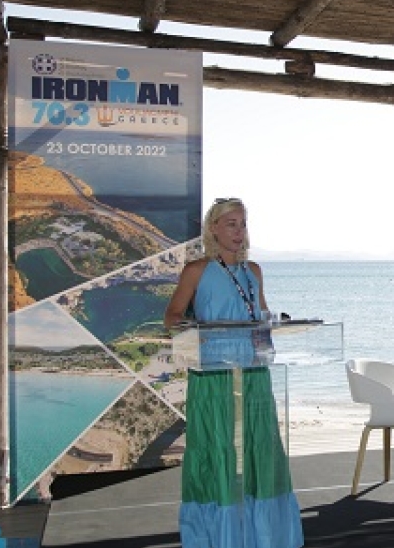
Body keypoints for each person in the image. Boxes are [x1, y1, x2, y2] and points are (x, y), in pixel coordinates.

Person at [164, 198, 303, 548]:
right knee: (216, 448)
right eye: (231, 224)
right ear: (213, 228)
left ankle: (265, 535)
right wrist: (199, 328)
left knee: (261, 447)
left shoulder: (253, 270)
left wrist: (277, 323)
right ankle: (217, 536)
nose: (239, 232)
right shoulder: (196, 270)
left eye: (242, 224)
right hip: (214, 374)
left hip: (254, 371)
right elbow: (172, 317)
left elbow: (262, 313)